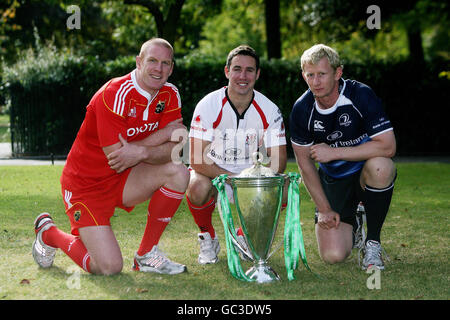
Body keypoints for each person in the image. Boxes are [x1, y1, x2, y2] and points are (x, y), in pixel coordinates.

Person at [32, 38, 190, 275]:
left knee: (178, 171)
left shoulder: (170, 93)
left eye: (165, 63)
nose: (159, 69)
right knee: (109, 268)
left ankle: (146, 255)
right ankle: (49, 233)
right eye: (152, 61)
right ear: (139, 62)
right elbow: (117, 157)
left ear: (171, 68)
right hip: (86, 185)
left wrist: (142, 150)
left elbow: (177, 148)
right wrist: (162, 135)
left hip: (125, 179)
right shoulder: (114, 93)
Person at [289, 44, 396, 270]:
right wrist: (324, 208)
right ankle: (356, 221)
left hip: (364, 172)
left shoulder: (360, 94)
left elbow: (388, 147)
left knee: (382, 167)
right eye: (310, 75)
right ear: (303, 76)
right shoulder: (301, 108)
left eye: (322, 74)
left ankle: (372, 243)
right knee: (334, 255)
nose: (316, 81)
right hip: (333, 179)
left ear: (338, 73)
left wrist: (334, 152)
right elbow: (304, 163)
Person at [186, 45, 287, 264]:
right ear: (227, 72)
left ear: (257, 74)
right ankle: (207, 236)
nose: (243, 76)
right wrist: (228, 178)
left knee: (284, 189)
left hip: (249, 176)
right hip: (213, 173)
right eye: (237, 69)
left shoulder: (269, 109)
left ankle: (243, 236)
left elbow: (278, 162)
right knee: (196, 185)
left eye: (250, 70)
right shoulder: (208, 105)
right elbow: (195, 159)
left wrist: (249, 180)